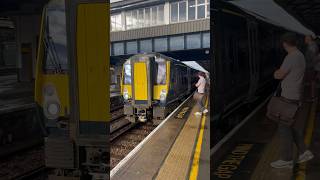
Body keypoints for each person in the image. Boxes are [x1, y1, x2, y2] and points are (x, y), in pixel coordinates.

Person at [271, 33, 313, 169]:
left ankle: (286, 159)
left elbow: (279, 75)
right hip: (296, 95)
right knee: (292, 126)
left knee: (283, 128)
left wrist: (276, 72)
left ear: (284, 44)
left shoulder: (291, 57)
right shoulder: (300, 55)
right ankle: (304, 152)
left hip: (288, 97)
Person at [305, 35, 319, 100]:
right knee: (312, 81)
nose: (304, 40)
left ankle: (313, 96)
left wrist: (310, 65)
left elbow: (313, 59)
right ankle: (313, 95)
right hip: (312, 66)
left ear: (309, 39)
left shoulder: (311, 47)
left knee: (312, 81)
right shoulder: (312, 46)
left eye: (305, 38)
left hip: (311, 67)